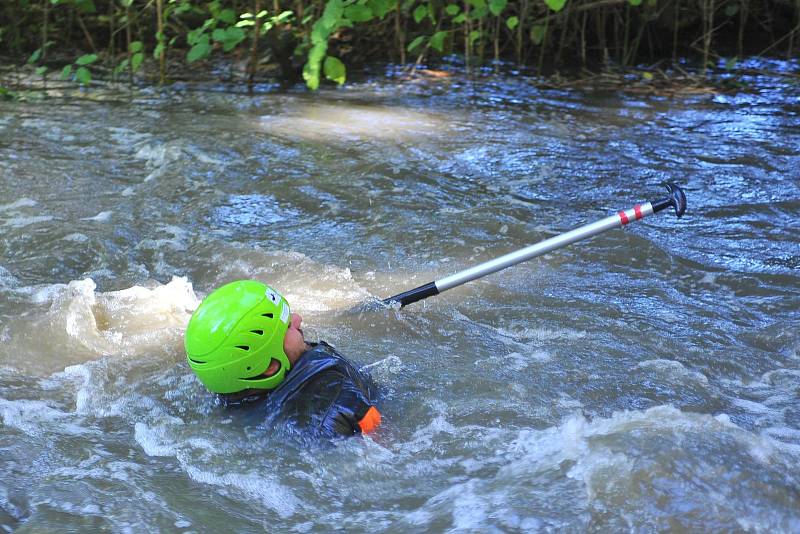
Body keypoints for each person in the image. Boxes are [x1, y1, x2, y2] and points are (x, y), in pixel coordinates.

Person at [184, 280, 381, 438]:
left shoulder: (230, 404)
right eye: (287, 327)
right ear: (270, 367)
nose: (297, 319)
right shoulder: (336, 395)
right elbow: (384, 444)